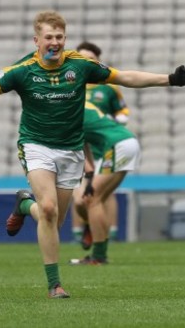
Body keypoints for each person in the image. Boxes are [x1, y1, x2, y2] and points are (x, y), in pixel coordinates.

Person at [0, 10, 185, 299]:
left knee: (52, 222)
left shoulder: (80, 65)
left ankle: (23, 206)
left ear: (65, 39)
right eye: (49, 37)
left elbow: (125, 77)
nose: (55, 42)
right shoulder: (22, 70)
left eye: (59, 37)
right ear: (37, 40)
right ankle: (54, 285)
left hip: (71, 151)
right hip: (36, 146)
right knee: (48, 209)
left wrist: (169, 79)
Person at [68, 101, 141, 265]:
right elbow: (84, 142)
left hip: (117, 146)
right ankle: (97, 247)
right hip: (126, 142)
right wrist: (90, 171)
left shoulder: (67, 111)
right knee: (93, 200)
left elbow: (75, 145)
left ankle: (98, 256)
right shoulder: (82, 105)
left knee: (92, 199)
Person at [71, 41, 129, 244]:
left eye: (91, 59)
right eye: (82, 58)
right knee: (79, 193)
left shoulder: (109, 87)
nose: (86, 62)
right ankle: (82, 231)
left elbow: (122, 111)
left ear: (97, 62)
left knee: (104, 193)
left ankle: (109, 233)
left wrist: (116, 120)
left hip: (103, 145)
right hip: (80, 145)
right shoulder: (70, 85)